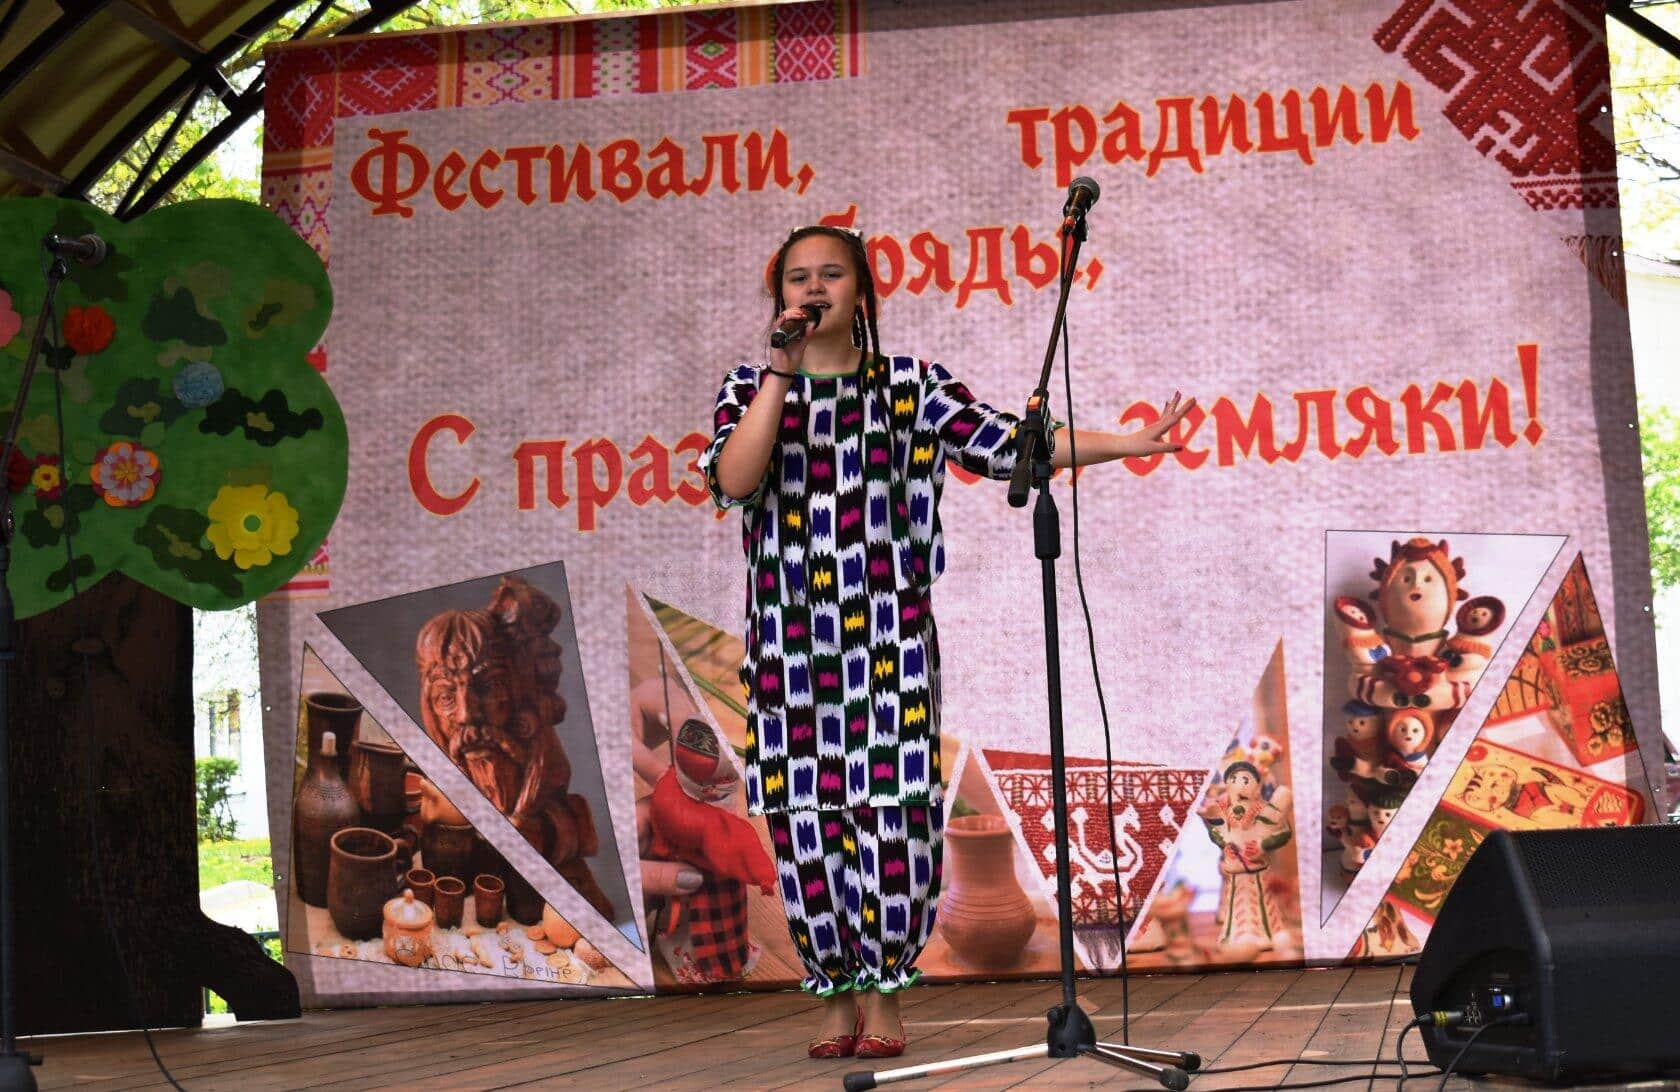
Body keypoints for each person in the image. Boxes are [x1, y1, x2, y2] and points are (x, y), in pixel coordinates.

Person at [700, 224, 1194, 1060]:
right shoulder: (751, 386)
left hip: (889, 644)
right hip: (788, 648)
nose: (813, 289)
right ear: (778, 297)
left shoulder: (911, 387)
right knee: (806, 824)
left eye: (831, 274)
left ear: (863, 292)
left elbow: (1013, 447)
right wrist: (781, 374)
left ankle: (885, 992)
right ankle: (835, 994)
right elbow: (733, 479)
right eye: (797, 278)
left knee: (892, 818)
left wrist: (1128, 444)